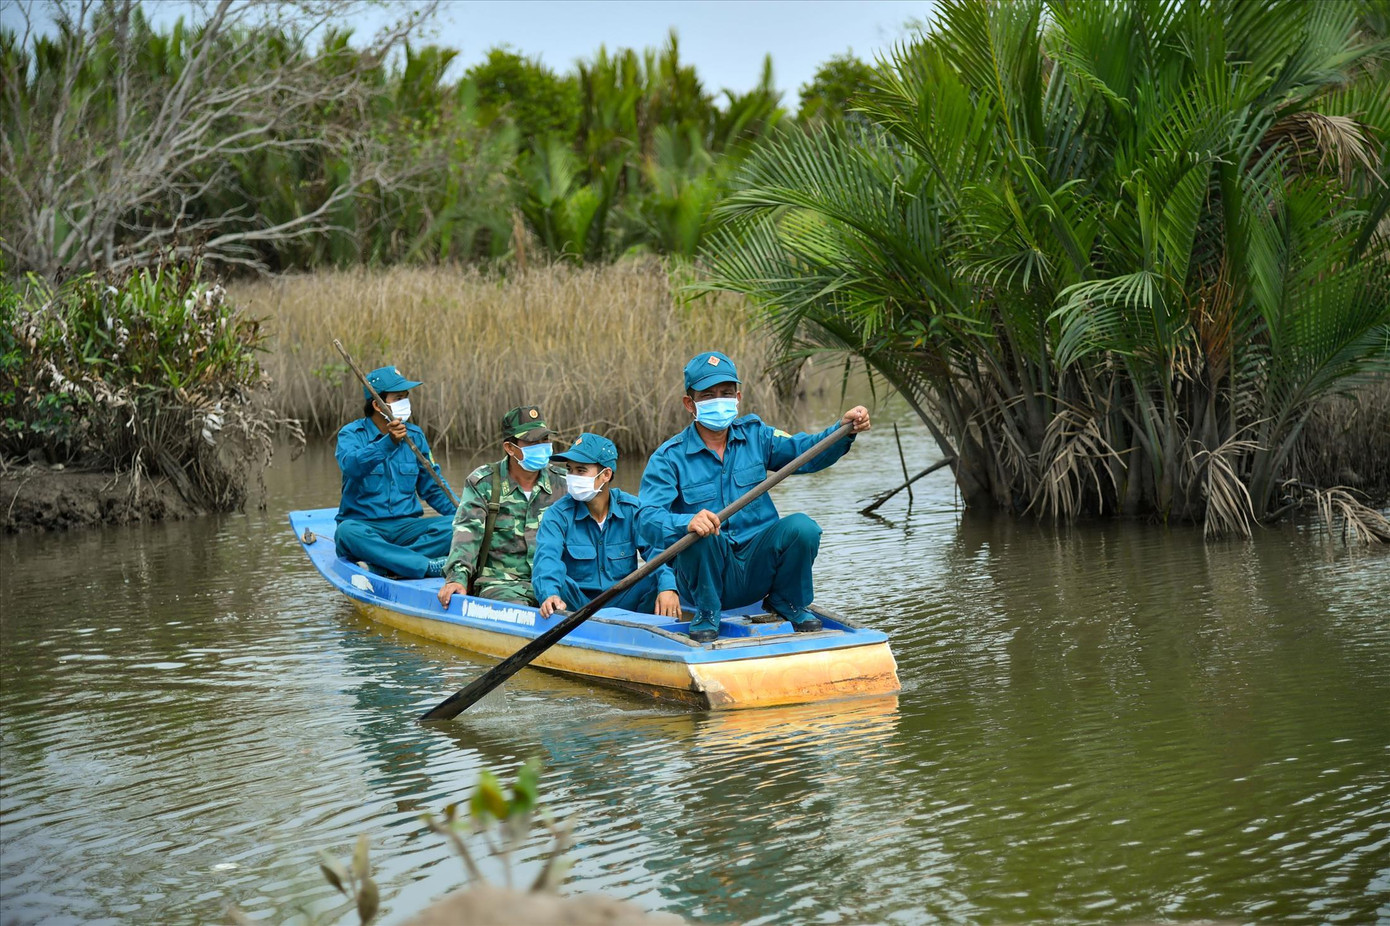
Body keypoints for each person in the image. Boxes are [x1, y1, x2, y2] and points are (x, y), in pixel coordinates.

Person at [638, 351, 871, 642]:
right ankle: (707, 613)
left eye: (726, 393)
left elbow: (806, 451)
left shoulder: (757, 435)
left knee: (803, 528)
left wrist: (842, 430)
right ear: (690, 403)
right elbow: (646, 519)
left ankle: (786, 602)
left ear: (737, 397)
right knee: (702, 534)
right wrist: (687, 522)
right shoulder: (668, 457)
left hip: (756, 567)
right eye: (708, 395)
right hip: (704, 577)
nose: (719, 400)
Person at [532, 432, 683, 620]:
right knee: (559, 581)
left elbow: (657, 551)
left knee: (658, 577)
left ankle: (649, 623)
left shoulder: (632, 510)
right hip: (577, 605)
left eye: (581, 471)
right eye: (570, 470)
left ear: (606, 475)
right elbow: (547, 558)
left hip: (623, 601)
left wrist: (668, 587)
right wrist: (550, 593)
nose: (572, 477)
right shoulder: (557, 515)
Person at [335, 365, 457, 578]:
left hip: (406, 528)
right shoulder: (352, 434)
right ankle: (425, 566)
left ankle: (387, 565)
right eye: (398, 398)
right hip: (366, 526)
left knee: (458, 526)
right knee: (346, 533)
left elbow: (434, 488)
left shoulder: (415, 436)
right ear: (377, 404)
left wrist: (467, 516)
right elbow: (351, 466)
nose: (405, 402)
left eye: (406, 397)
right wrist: (388, 443)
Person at [437, 405, 565, 607]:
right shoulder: (484, 483)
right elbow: (467, 533)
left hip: (555, 583)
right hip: (501, 584)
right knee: (517, 612)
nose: (542, 446)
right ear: (510, 448)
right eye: (532, 442)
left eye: (545, 439)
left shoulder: (564, 483)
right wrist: (457, 578)